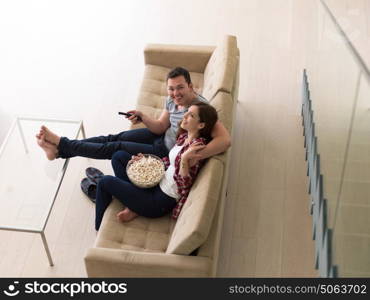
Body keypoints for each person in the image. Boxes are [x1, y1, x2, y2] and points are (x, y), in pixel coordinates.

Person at [36, 67, 230, 164]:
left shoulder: (201, 109)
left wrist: (193, 156)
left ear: (191, 86)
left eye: (180, 88)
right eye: (171, 89)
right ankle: (60, 151)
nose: (175, 93)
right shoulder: (172, 100)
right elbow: (162, 126)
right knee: (114, 138)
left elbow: (225, 140)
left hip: (166, 153)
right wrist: (143, 116)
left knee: (115, 147)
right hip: (160, 137)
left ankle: (61, 144)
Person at [95, 100, 218, 230]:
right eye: (187, 112)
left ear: (201, 125)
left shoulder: (196, 149)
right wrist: (146, 161)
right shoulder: (184, 137)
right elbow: (170, 163)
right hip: (156, 182)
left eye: (191, 115)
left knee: (105, 181)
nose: (185, 116)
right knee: (118, 156)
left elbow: (184, 186)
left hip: (160, 201)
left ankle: (98, 227)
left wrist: (184, 160)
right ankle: (133, 205)